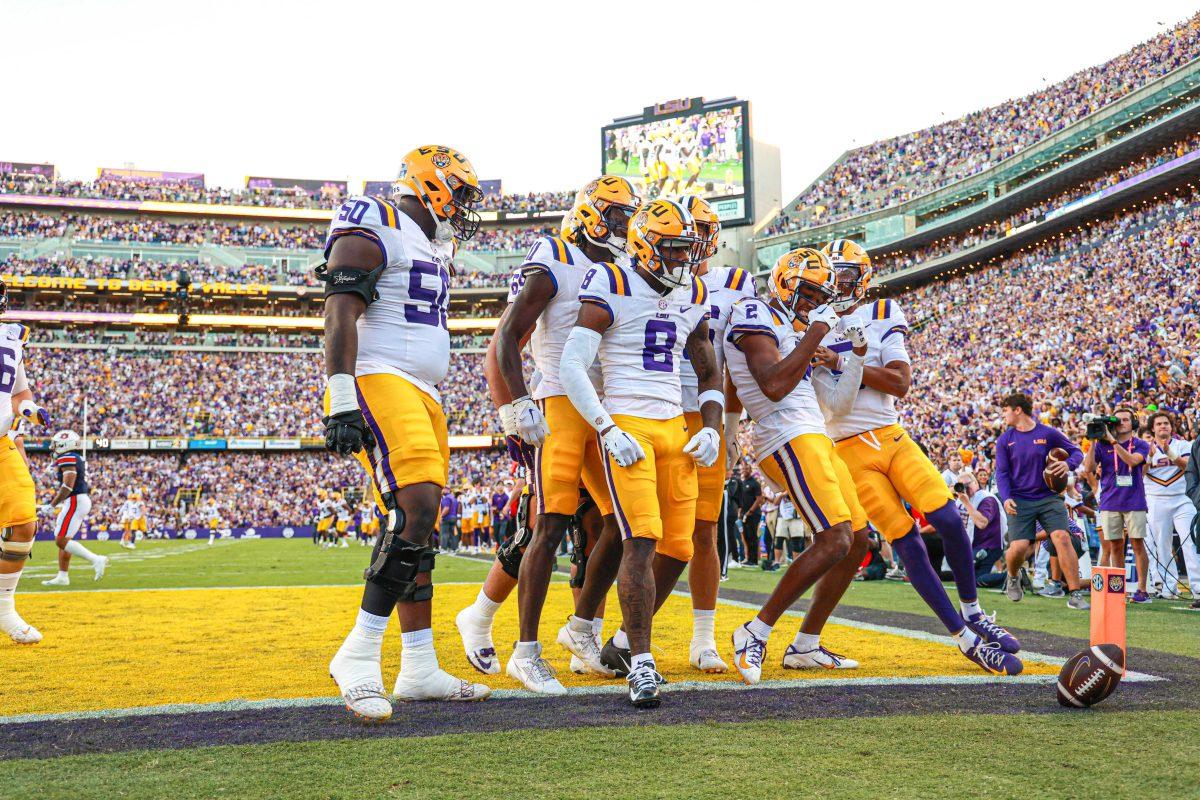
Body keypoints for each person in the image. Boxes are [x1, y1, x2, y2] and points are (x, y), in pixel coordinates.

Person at [322, 145, 491, 722]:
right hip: (378, 376)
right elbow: (340, 308)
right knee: (413, 506)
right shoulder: (377, 221)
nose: (467, 207)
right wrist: (340, 391)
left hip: (424, 389)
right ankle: (359, 652)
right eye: (462, 193)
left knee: (423, 525)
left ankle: (418, 666)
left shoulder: (432, 243)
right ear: (433, 185)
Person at [463, 177, 639, 694]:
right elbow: (507, 337)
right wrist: (516, 406)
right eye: (617, 217)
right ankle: (525, 650)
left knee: (619, 524)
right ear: (589, 215)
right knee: (549, 523)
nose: (625, 228)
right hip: (557, 401)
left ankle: (579, 629)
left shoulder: (619, 268)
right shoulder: (554, 255)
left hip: (602, 407)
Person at [811, 241, 1022, 674]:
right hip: (846, 448)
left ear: (862, 278)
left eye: (845, 275)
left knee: (945, 516)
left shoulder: (882, 312)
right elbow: (834, 404)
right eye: (831, 275)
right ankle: (962, 637)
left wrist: (840, 359)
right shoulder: (811, 323)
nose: (837, 284)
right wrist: (838, 360)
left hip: (890, 435)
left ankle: (974, 611)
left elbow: (900, 382)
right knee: (904, 539)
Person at [560, 198, 723, 708]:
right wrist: (606, 428)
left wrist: (713, 426)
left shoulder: (693, 291)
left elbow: (708, 369)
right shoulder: (611, 281)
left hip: (675, 423)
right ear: (646, 247)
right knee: (641, 541)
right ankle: (643, 666)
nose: (682, 260)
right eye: (672, 250)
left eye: (685, 250)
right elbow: (572, 364)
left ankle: (626, 643)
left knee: (682, 547)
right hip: (628, 421)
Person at [725, 248, 875, 681]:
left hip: (814, 432)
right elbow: (772, 385)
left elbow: (840, 403)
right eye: (807, 291)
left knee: (859, 538)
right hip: (784, 434)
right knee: (833, 538)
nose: (811, 302)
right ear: (785, 281)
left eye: (818, 294)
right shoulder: (753, 311)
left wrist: (857, 356)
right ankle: (755, 630)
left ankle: (806, 644)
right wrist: (818, 331)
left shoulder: (794, 328)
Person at [994, 392, 1089, 609]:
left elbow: (1076, 452)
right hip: (1020, 499)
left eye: (1005, 410)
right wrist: (1006, 497)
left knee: (1062, 538)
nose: (1003, 415)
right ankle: (1012, 576)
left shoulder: (1048, 433)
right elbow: (1002, 473)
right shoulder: (1005, 440)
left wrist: (1068, 465)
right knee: (1018, 548)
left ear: (1017, 410)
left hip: (1049, 498)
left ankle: (1075, 594)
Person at [0, 282, 54, 643]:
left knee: (23, 522)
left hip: (0, 442)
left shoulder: (10, 336)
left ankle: (3, 608)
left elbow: (19, 391)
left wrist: (28, 408)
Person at [1083, 406, 1153, 601]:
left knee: (1137, 544)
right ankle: (1118, 587)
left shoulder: (1140, 444)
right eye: (1118, 419)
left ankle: (1142, 589)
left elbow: (1131, 461)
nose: (1121, 422)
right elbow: (1088, 468)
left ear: (1134, 423)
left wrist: (1112, 441)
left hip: (1134, 501)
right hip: (1109, 501)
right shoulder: (1102, 445)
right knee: (1114, 545)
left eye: (1126, 419)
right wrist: (1094, 441)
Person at [40, 429, 107, 586]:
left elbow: (68, 486)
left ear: (64, 444)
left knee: (61, 540)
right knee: (65, 539)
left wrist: (52, 505)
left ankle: (96, 559)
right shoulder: (74, 457)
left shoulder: (67, 457)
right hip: (78, 500)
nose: (53, 447)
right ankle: (63, 576)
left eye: (56, 444)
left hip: (75, 500)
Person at [1142, 411, 1196, 600]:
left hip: (1182, 499)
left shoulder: (1183, 445)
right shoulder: (1144, 447)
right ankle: (1169, 589)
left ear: (1171, 427)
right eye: (1158, 424)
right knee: (1162, 546)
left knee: (1191, 542)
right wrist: (1147, 458)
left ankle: (1198, 589)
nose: (1163, 426)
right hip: (1156, 499)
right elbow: (1138, 474)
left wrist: (1170, 453)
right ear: (1152, 428)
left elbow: (1188, 466)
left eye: (1166, 423)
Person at [956, 469, 1003, 584]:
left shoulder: (986, 499)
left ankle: (1013, 575)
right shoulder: (961, 499)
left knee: (970, 580)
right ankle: (1009, 578)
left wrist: (967, 503)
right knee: (974, 579)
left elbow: (982, 523)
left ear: (975, 483)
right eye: (962, 486)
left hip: (988, 546)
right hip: (972, 546)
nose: (965, 489)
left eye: (968, 485)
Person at [737, 463, 764, 565]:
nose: (744, 470)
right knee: (747, 538)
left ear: (750, 470)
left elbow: (759, 499)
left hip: (753, 514)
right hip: (744, 515)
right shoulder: (743, 483)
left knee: (753, 537)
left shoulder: (755, 483)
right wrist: (741, 512)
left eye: (747, 469)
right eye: (743, 469)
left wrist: (750, 511)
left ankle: (754, 560)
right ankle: (748, 559)